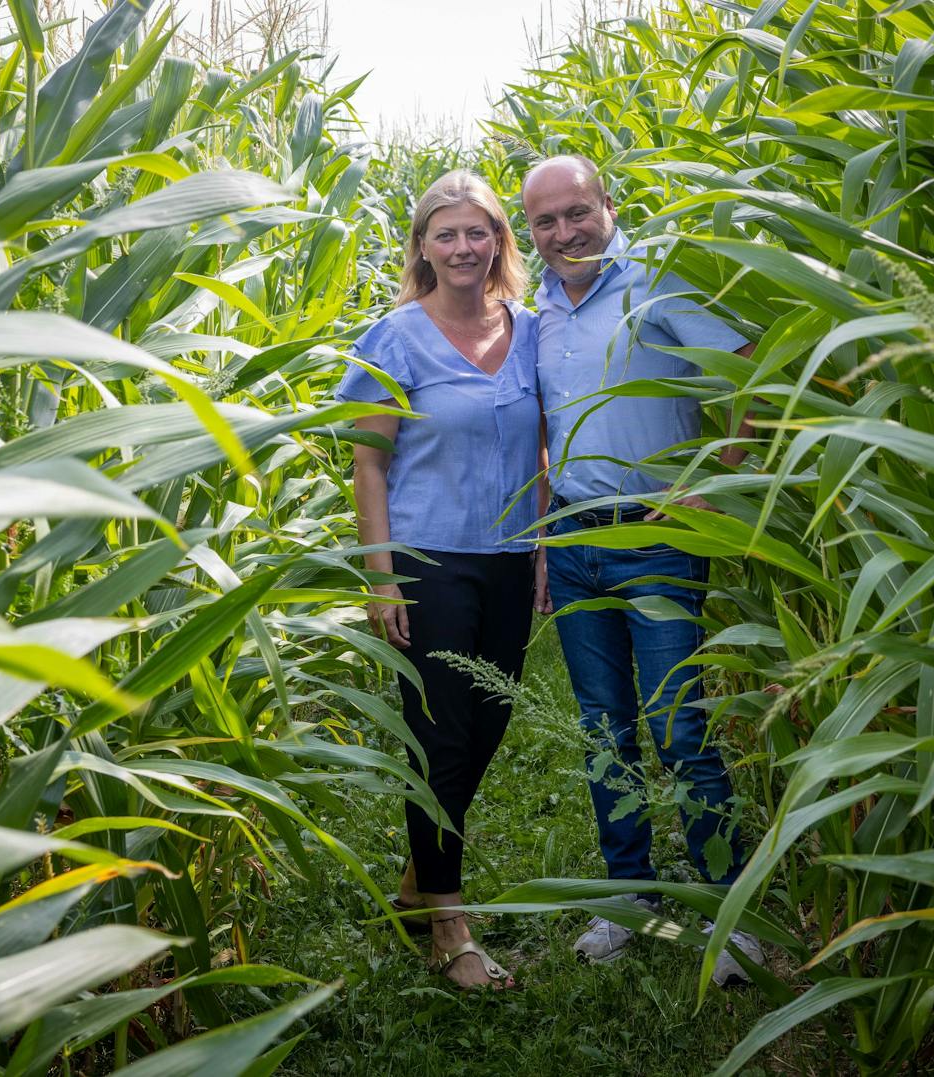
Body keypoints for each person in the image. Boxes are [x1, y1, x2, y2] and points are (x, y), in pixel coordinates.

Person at [522, 154, 764, 985]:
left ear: (607, 206)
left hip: (657, 538)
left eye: (576, 212)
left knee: (681, 730)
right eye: (546, 222)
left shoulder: (658, 281)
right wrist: (547, 542)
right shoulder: (539, 315)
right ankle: (627, 899)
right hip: (579, 542)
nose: (564, 233)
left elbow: (748, 367)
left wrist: (710, 482)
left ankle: (730, 909)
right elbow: (546, 434)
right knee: (604, 729)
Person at [336, 169, 546, 990]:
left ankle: (416, 887)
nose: (464, 247)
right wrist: (381, 579)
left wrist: (538, 549)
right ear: (422, 246)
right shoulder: (394, 337)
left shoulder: (529, 329)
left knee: (488, 722)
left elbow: (541, 444)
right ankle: (449, 927)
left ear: (499, 240)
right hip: (428, 557)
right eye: (446, 234)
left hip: (507, 555)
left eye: (478, 231)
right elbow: (369, 464)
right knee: (443, 737)